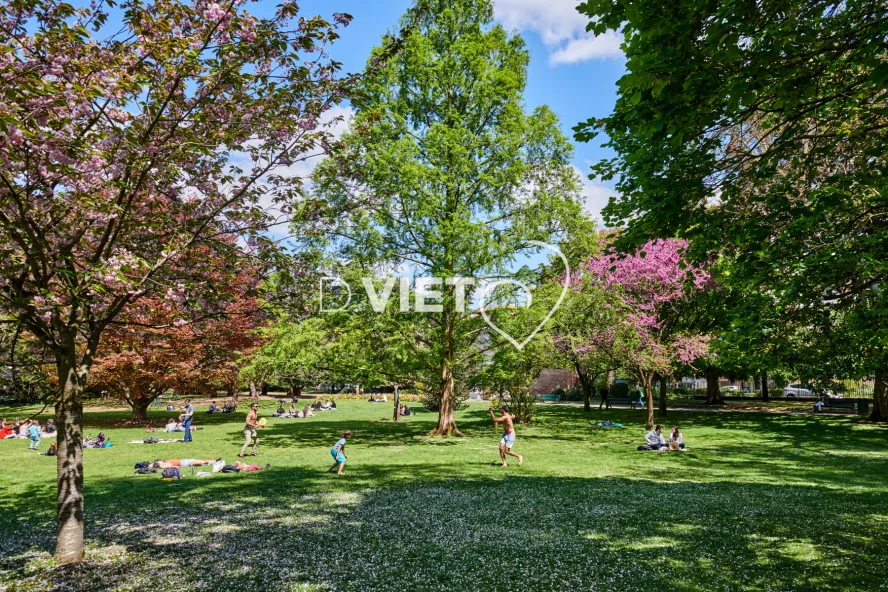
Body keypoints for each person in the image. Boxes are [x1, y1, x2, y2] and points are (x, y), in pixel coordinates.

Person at [152, 458, 217, 469]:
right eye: (158, 462)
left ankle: (212, 461)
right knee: (198, 462)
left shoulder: (165, 462)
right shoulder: (165, 465)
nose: (159, 460)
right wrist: (160, 465)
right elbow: (170, 466)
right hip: (183, 463)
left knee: (199, 461)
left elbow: (151, 465)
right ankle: (212, 462)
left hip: (183, 461)